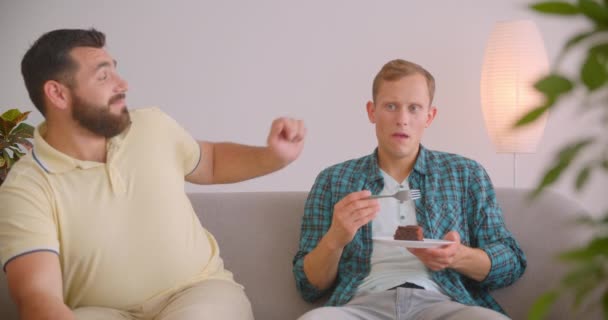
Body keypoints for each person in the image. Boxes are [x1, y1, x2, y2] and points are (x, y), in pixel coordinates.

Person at [0, 28, 306, 320]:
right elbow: (38, 296)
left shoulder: (151, 126)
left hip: (197, 294)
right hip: (100, 311)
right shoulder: (26, 187)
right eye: (104, 75)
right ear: (58, 94)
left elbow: (210, 162)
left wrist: (272, 157)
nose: (123, 84)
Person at [293, 59, 525, 320]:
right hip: (362, 306)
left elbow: (511, 263)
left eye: (414, 108)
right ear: (372, 111)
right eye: (391, 106)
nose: (402, 119)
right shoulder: (334, 180)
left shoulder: (466, 174)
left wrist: (458, 257)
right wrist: (335, 238)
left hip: (443, 303)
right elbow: (308, 286)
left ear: (429, 116)